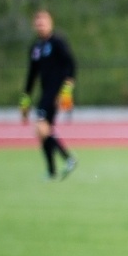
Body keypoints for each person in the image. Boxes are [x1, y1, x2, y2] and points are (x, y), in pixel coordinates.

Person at [20, 9, 77, 181]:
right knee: (43, 132)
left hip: (56, 92)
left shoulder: (58, 42)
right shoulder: (36, 47)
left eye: (43, 22)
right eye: (37, 22)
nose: (40, 25)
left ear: (50, 23)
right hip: (45, 92)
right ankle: (53, 170)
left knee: (41, 128)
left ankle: (68, 159)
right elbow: (32, 74)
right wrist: (25, 99)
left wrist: (66, 92)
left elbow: (71, 65)